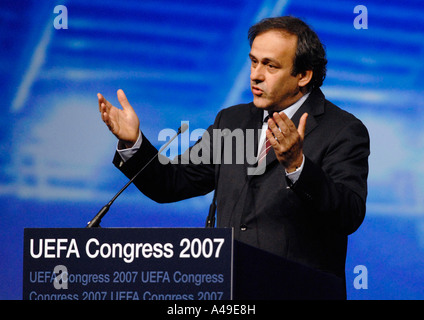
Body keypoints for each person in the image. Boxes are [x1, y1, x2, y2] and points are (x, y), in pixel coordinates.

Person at [98, 16, 369, 285]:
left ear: (303, 75)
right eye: (253, 61)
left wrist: (297, 166)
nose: (255, 75)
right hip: (230, 290)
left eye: (270, 66)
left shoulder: (343, 130)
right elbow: (171, 183)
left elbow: (348, 215)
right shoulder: (231, 121)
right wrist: (133, 142)